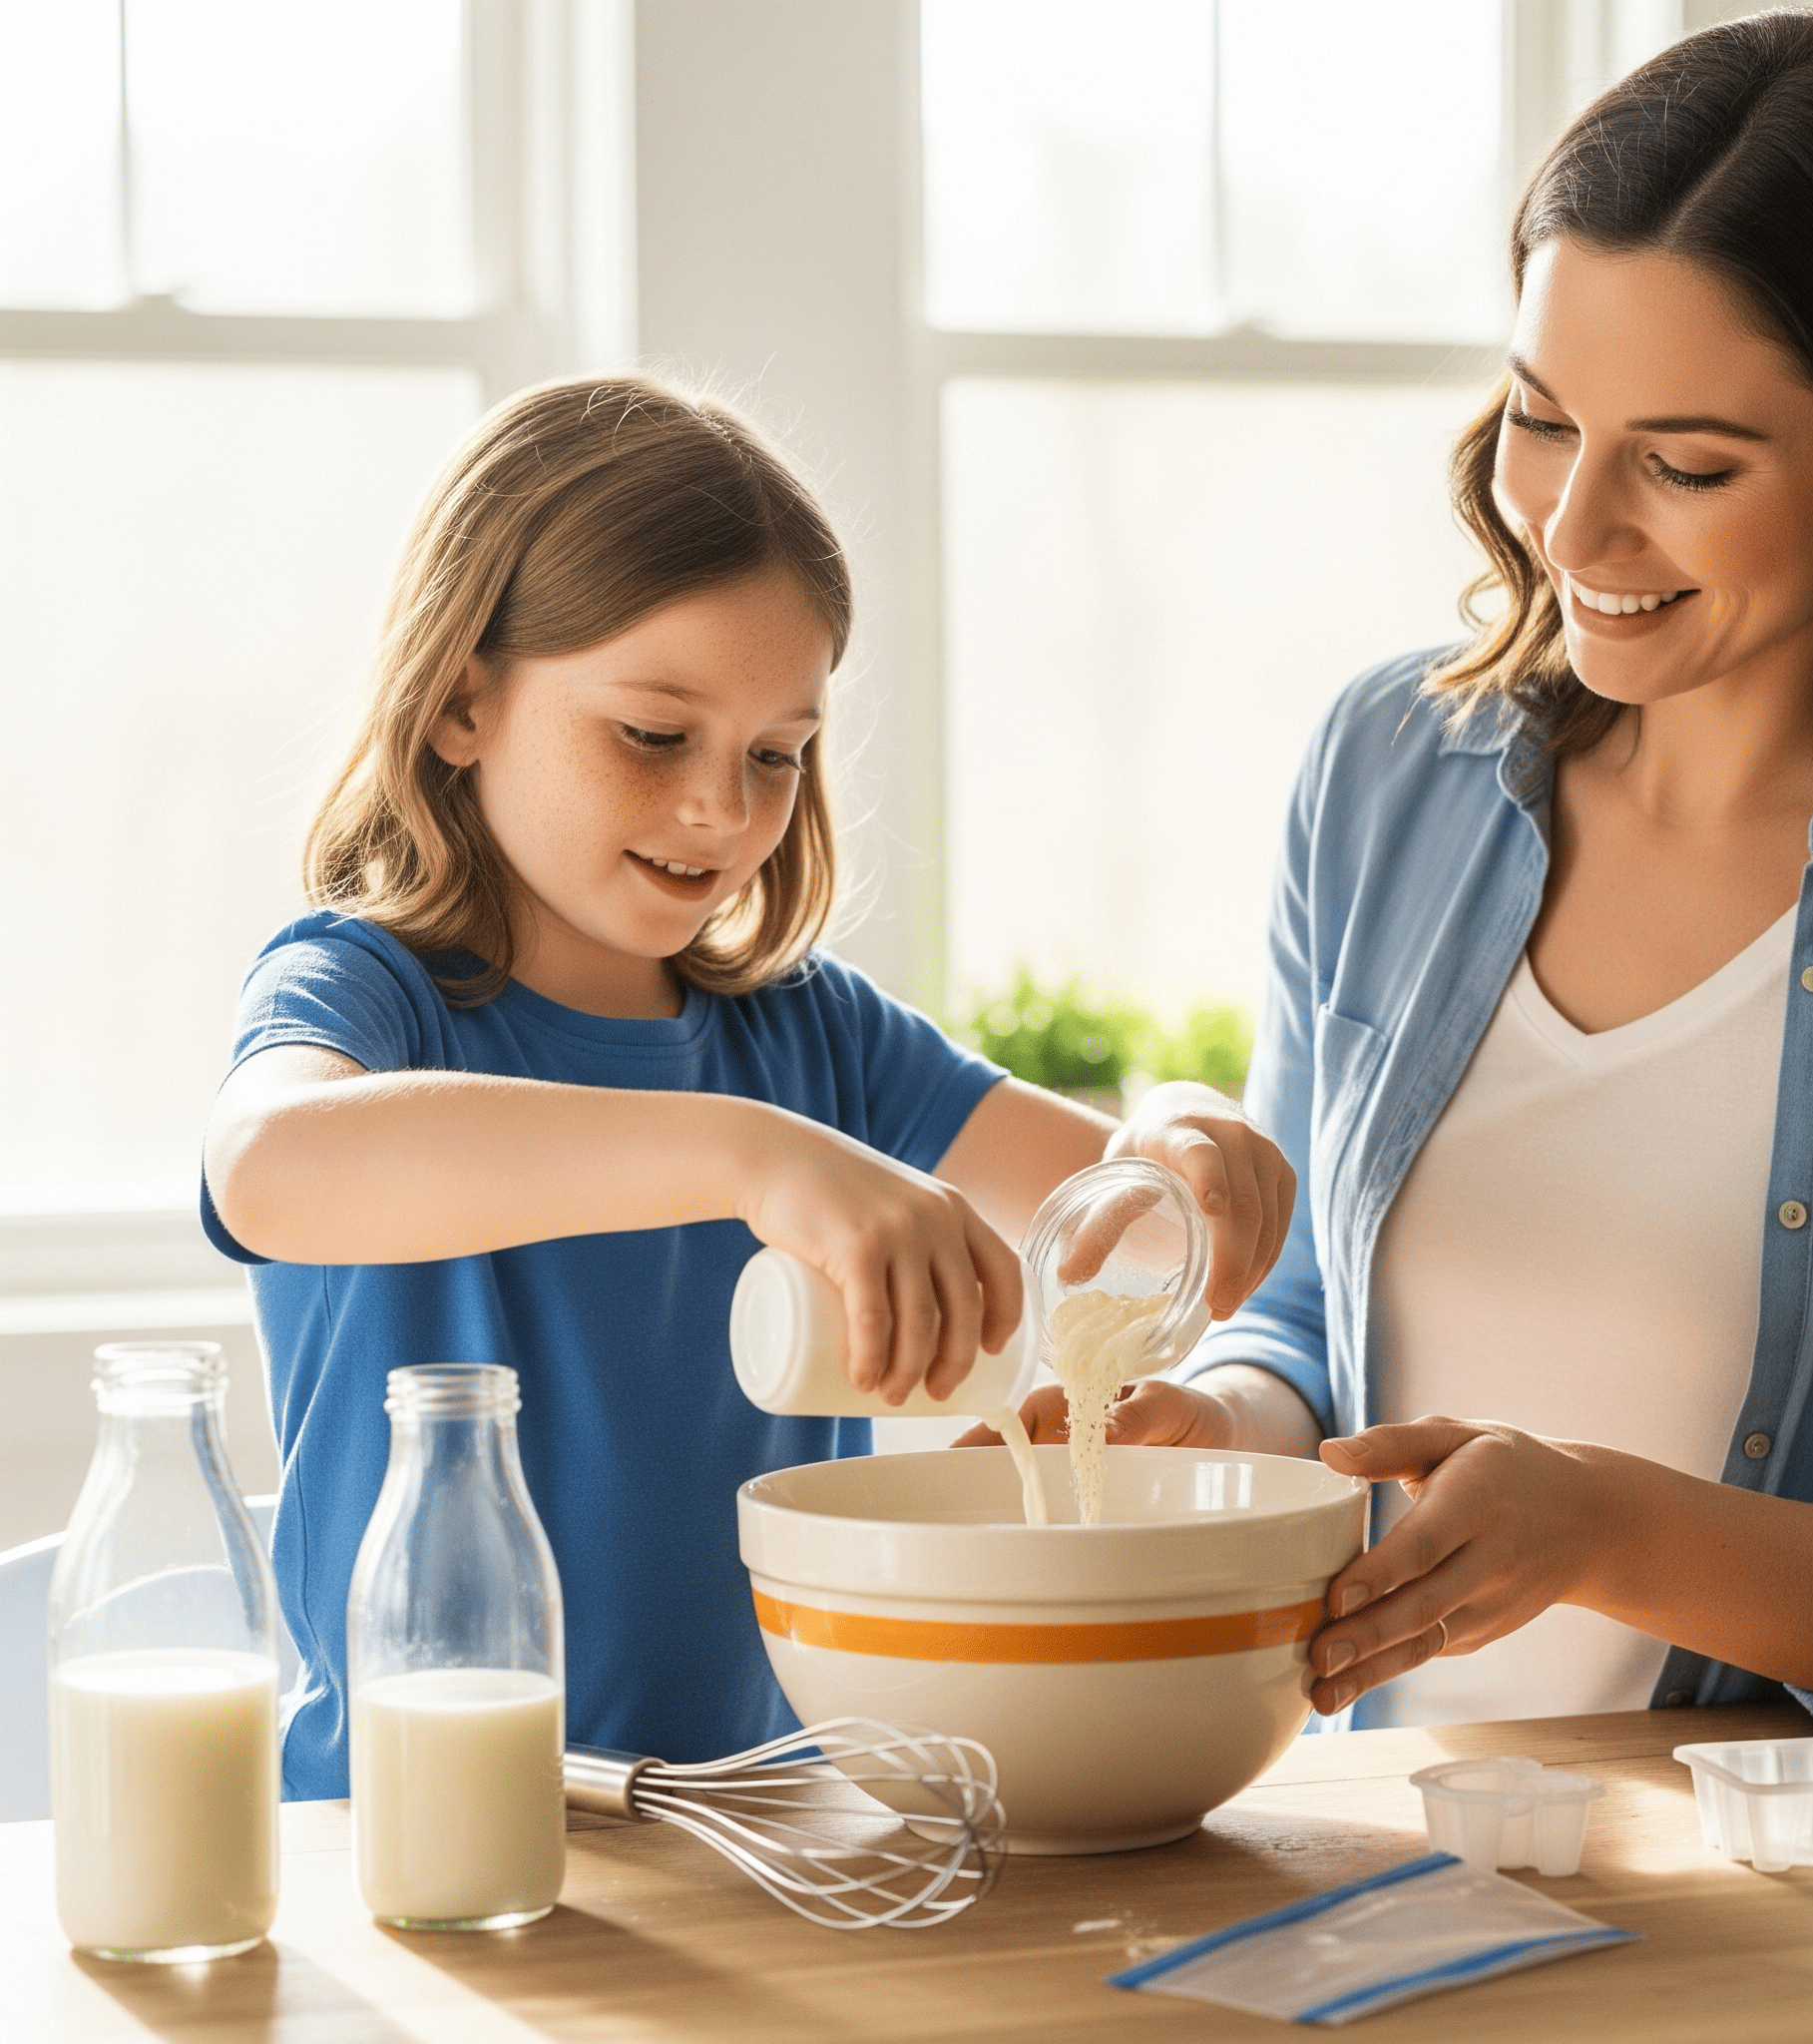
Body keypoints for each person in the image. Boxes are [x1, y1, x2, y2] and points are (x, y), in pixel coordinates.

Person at [996, 11, 1813, 1734]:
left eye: (1686, 465)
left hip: (1777, 1884)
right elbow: (1319, 1315)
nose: (1572, 528)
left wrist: (1615, 1532)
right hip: (1381, 1850)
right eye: (1545, 419)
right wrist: (1227, 1431)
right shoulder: (1387, 771)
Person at [201, 375, 1296, 1797]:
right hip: (418, 1824)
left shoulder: (810, 1034)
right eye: (654, 735)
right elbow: (267, 1172)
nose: (723, 808)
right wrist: (751, 1158)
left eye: (777, 754)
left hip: (765, 1822)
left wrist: (1178, 1134)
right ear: (464, 698)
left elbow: (1126, 1226)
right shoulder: (370, 994)